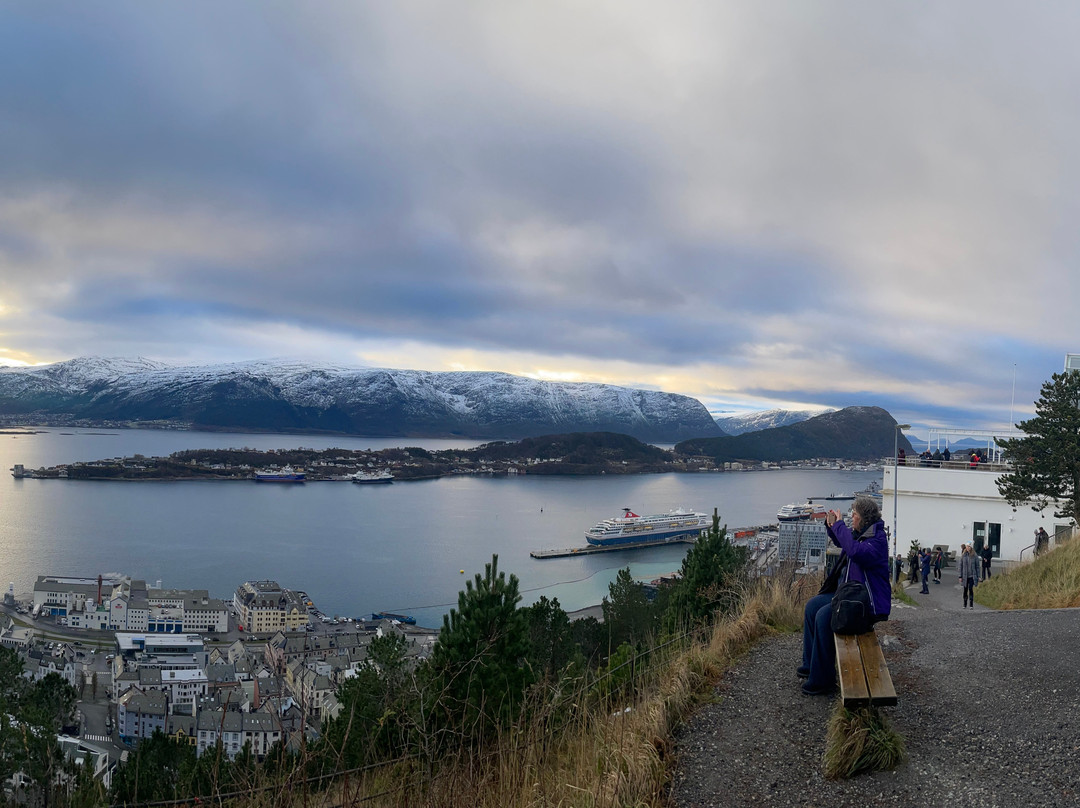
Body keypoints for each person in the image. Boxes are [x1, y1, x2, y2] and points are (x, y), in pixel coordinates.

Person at [799, 497, 891, 696]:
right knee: (813, 606)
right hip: (849, 596)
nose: (852, 518)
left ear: (864, 518)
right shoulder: (862, 534)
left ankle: (822, 681)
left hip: (865, 603)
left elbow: (855, 551)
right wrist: (832, 526)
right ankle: (810, 665)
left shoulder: (877, 541)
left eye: (855, 515)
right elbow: (846, 541)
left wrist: (840, 525)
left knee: (824, 617)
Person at [959, 544, 978, 608]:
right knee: (965, 589)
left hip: (971, 576)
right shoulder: (963, 555)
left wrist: (978, 576)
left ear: (971, 547)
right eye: (967, 546)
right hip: (965, 576)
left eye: (969, 546)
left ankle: (971, 604)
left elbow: (977, 567)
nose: (968, 548)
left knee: (970, 589)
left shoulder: (974, 556)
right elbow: (960, 566)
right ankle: (964, 603)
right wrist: (960, 576)